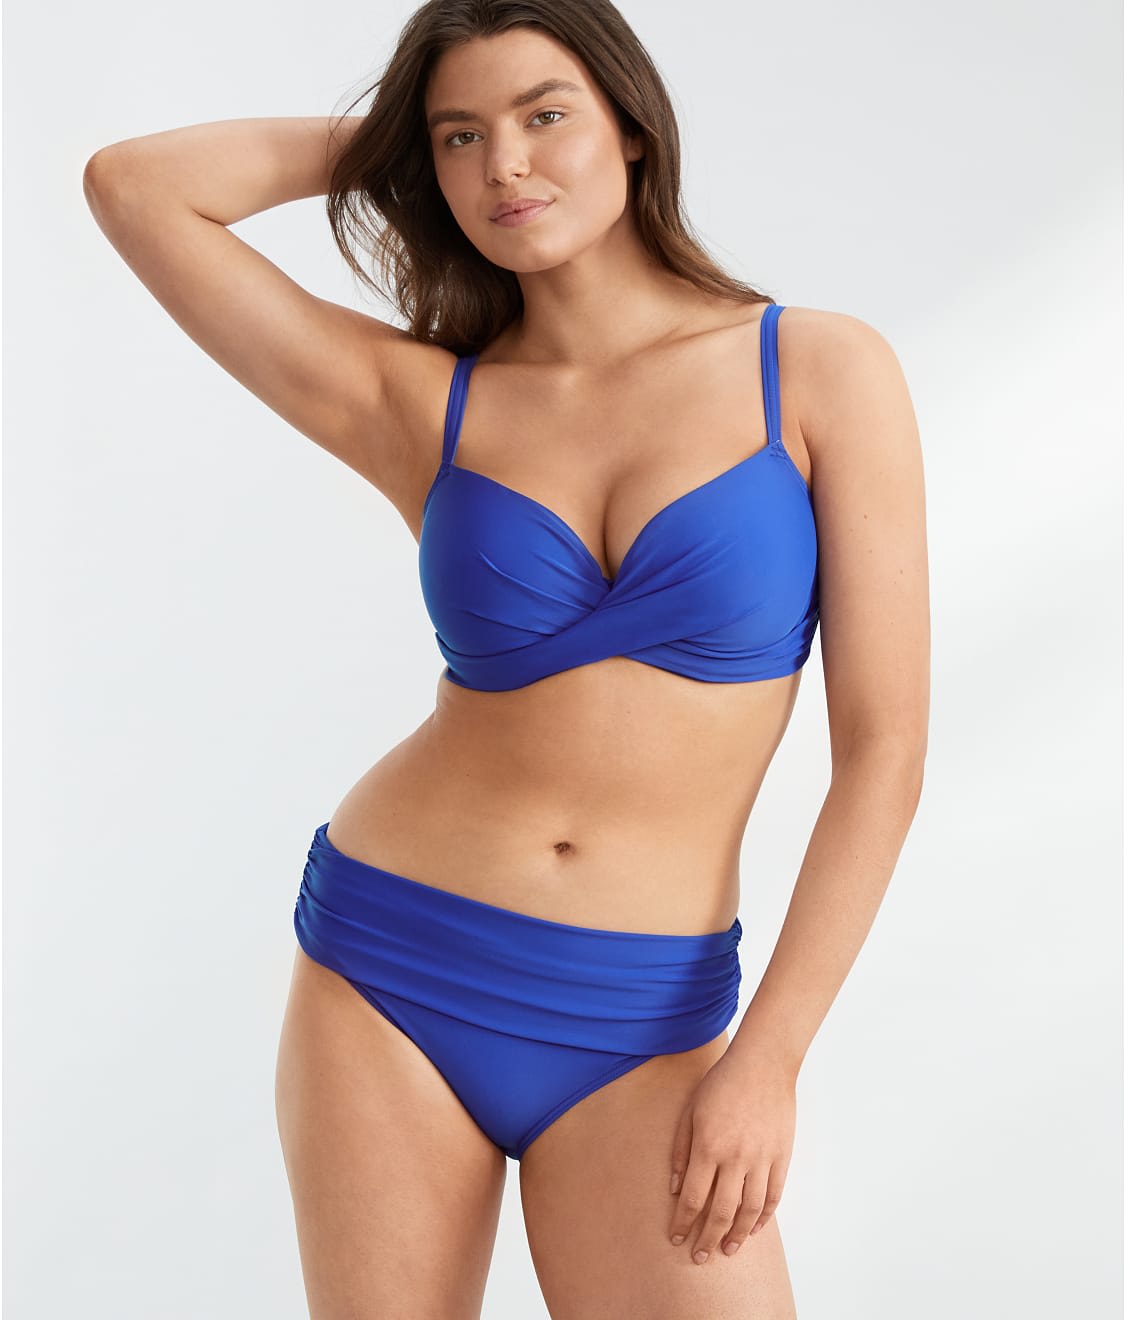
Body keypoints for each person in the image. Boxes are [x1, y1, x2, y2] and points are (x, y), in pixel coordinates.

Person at [82, 0, 930, 1314]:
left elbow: (883, 751)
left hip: (646, 1016)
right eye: (462, 137)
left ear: (632, 127)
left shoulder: (814, 368)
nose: (507, 166)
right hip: (391, 969)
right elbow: (135, 186)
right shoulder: (425, 403)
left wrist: (769, 1058)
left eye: (545, 117)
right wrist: (396, 139)